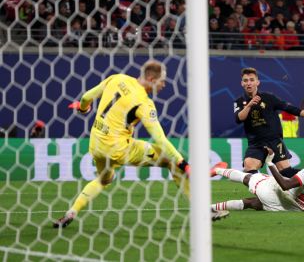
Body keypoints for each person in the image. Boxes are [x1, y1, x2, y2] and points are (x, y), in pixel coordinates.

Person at [53, 60, 228, 227]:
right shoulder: (144, 103)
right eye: (162, 81)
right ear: (151, 79)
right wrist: (183, 163)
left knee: (104, 179)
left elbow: (85, 97)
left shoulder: (117, 78)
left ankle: (71, 212)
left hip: (96, 144)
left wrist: (83, 109)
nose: (164, 85)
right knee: (170, 161)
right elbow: (160, 139)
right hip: (119, 148)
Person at [233, 67, 304, 177]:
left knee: (286, 173)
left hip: (274, 141)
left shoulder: (268, 98)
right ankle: (264, 190)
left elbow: (290, 108)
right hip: (256, 143)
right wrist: (249, 105)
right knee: (249, 169)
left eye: (252, 80)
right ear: (241, 83)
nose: (249, 83)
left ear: (258, 82)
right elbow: (239, 118)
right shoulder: (239, 102)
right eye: (246, 80)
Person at [211, 146, 304, 212]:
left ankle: (217, 169)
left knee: (250, 177)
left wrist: (270, 162)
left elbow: (284, 185)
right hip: (290, 208)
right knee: (252, 203)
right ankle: (210, 208)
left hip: (278, 193)